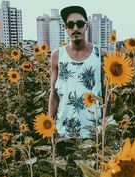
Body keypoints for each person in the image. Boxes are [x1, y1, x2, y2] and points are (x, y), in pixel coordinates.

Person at [48, 6, 107, 154]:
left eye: (80, 24)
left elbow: (107, 93)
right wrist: (50, 124)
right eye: (71, 25)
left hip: (93, 131)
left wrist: (105, 125)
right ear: (65, 28)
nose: (75, 28)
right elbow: (54, 93)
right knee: (65, 174)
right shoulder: (57, 56)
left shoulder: (101, 55)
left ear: (86, 26)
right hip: (63, 131)